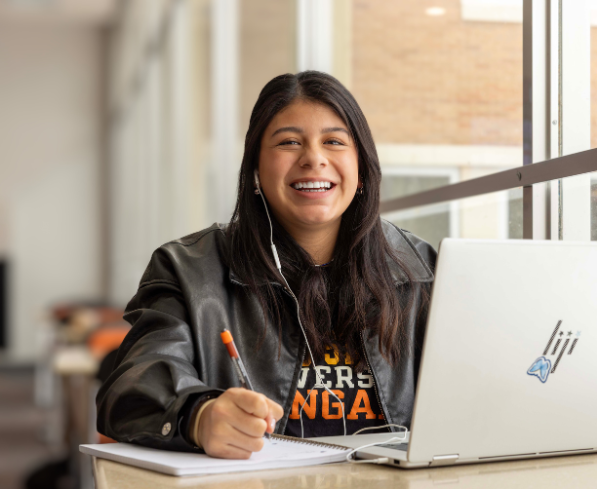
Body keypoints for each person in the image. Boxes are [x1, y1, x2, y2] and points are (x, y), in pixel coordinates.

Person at [96, 71, 436, 459]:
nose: (313, 158)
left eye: (334, 141)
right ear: (256, 169)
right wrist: (199, 416)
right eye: (289, 142)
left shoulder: (420, 268)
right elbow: (128, 389)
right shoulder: (189, 270)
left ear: (361, 168)